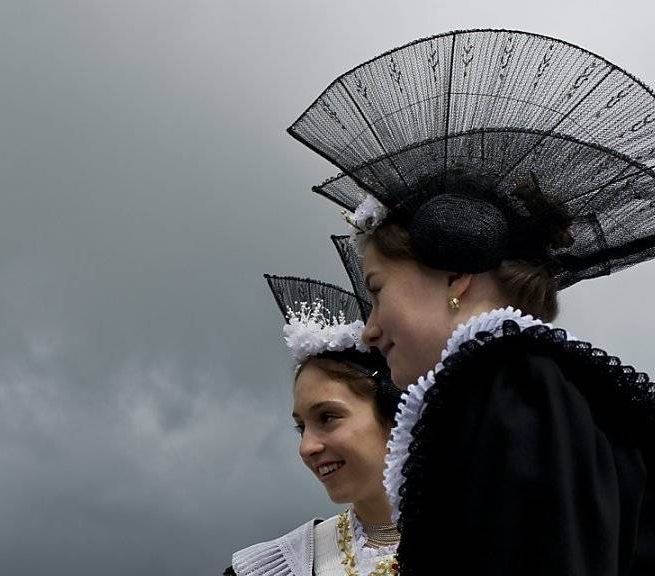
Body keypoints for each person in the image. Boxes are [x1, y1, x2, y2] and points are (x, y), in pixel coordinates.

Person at [289, 29, 655, 575]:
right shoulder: (528, 386)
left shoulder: (509, 389)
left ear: (456, 276)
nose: (368, 329)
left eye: (377, 290)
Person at [226, 272, 401, 576]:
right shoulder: (286, 565)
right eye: (301, 427)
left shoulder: (497, 540)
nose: (307, 447)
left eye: (328, 417)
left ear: (396, 412)